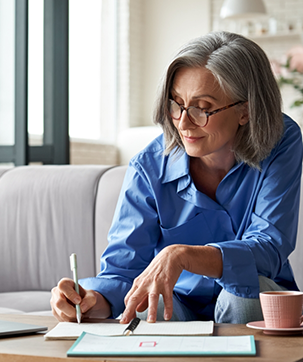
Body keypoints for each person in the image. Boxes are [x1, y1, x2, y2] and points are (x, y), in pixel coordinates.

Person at [50, 31, 303, 324]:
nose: (183, 123)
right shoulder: (148, 166)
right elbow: (123, 270)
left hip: (252, 301)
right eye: (176, 104)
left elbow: (269, 246)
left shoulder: (280, 140)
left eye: (202, 108)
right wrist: (90, 301)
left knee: (241, 293)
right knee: (148, 302)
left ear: (245, 111)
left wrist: (183, 255)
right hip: (178, 305)